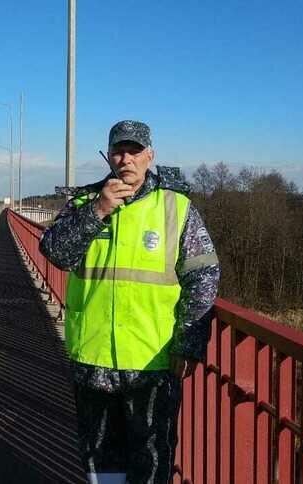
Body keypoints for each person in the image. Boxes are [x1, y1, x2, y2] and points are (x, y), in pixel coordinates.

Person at [40, 120, 220, 484]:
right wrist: (98, 211)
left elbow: (204, 277)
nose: (126, 159)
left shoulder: (176, 207)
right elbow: (55, 252)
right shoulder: (84, 203)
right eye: (119, 151)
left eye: (135, 151)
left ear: (149, 156)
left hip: (152, 362)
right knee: (99, 460)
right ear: (108, 156)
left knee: (152, 460)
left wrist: (188, 343)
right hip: (91, 360)